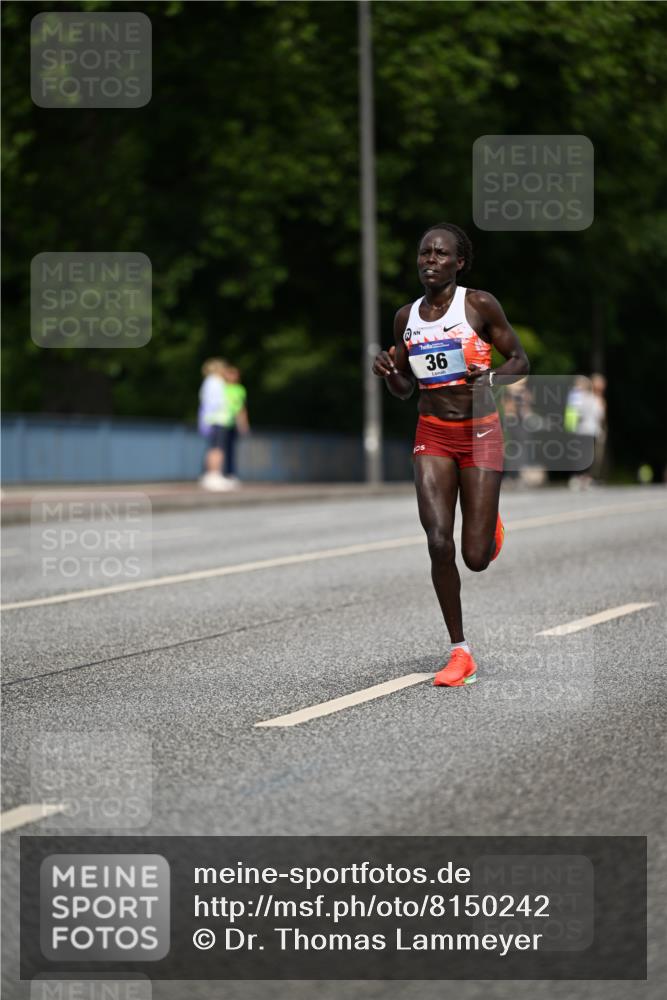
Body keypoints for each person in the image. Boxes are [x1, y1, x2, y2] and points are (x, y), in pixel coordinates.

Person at [372, 223, 529, 687]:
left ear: (459, 262)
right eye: (424, 253)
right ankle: (460, 651)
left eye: (440, 254)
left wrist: (493, 378)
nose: (430, 261)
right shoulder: (406, 317)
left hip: (480, 432)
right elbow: (405, 388)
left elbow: (519, 359)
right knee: (438, 541)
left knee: (474, 557)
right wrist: (388, 371)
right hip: (433, 434)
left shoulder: (478, 305)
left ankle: (489, 525)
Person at [198, 358, 233, 491]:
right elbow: (214, 402)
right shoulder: (215, 381)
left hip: (213, 419)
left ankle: (213, 475)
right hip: (217, 419)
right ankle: (214, 475)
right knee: (217, 449)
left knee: (214, 448)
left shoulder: (210, 381)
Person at [220, 365, 250, 484]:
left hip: (233, 422)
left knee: (231, 449)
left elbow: (242, 407)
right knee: (220, 448)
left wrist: (244, 423)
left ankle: (230, 474)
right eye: (230, 374)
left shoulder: (240, 389)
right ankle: (220, 473)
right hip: (222, 421)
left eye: (235, 374)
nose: (233, 377)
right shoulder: (221, 388)